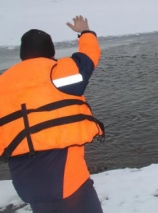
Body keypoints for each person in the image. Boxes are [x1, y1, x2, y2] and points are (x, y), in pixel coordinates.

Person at [0, 15, 105, 213]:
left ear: (23, 54)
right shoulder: (57, 71)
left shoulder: (3, 82)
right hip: (64, 176)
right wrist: (85, 32)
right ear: (51, 52)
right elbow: (88, 58)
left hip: (24, 180)